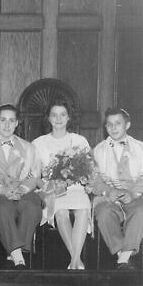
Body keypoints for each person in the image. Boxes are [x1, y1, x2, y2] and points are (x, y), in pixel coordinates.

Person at [0, 104, 42, 269]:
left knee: (33, 206)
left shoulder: (28, 147)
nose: (7, 125)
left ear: (17, 123)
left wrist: (22, 189)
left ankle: (13, 250)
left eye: (11, 120)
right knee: (2, 209)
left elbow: (34, 176)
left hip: (21, 190)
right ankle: (18, 256)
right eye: (3, 120)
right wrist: (4, 190)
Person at [92, 107, 143, 270]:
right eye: (109, 124)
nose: (113, 128)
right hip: (110, 196)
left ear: (127, 125)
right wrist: (107, 191)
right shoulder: (98, 150)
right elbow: (94, 179)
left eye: (118, 123)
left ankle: (124, 257)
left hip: (135, 195)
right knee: (104, 213)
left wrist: (133, 193)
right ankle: (122, 255)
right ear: (105, 127)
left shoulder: (142, 149)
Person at [32, 101, 91, 270]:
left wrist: (73, 179)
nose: (58, 119)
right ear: (48, 118)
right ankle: (76, 261)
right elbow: (35, 176)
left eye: (62, 114)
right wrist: (49, 186)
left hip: (76, 187)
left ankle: (74, 262)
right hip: (52, 189)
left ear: (69, 117)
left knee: (83, 209)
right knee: (62, 212)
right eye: (54, 115)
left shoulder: (79, 141)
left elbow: (88, 170)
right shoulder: (38, 143)